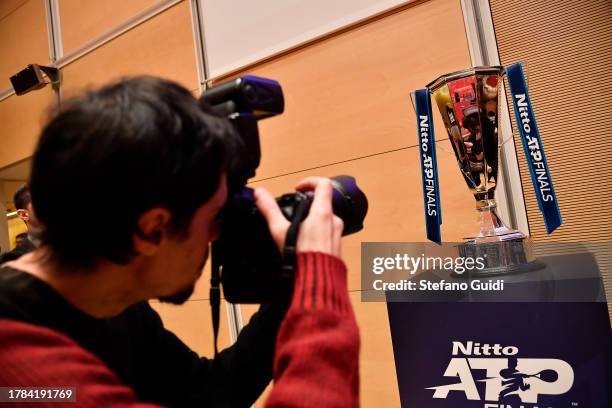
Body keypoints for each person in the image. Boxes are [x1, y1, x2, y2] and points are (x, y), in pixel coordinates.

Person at [0, 76, 359, 407]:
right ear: (151, 230)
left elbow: (206, 396)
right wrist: (322, 290)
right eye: (211, 218)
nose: (218, 234)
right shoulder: (17, 360)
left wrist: (295, 287)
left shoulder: (110, 301)